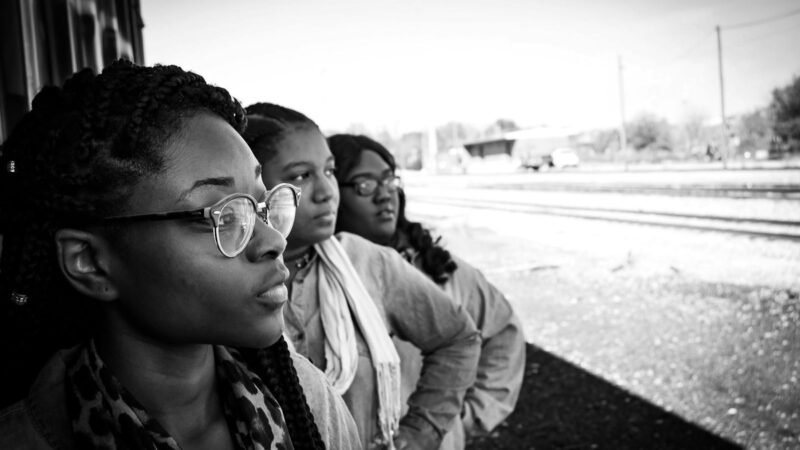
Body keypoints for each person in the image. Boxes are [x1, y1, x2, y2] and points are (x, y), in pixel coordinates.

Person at [0, 61, 360, 450]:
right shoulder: (24, 438)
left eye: (260, 205)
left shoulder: (308, 401)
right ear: (89, 261)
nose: (273, 241)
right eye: (220, 216)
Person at [241, 103, 481, 450]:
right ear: (255, 187)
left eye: (329, 171)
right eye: (301, 176)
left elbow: (459, 339)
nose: (327, 192)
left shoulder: (368, 262)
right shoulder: (226, 281)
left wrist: (420, 433)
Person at [328, 134, 525, 448]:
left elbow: (503, 333)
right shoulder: (316, 282)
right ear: (331, 193)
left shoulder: (439, 270)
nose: (385, 196)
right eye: (365, 185)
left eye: (389, 180)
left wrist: (462, 419)